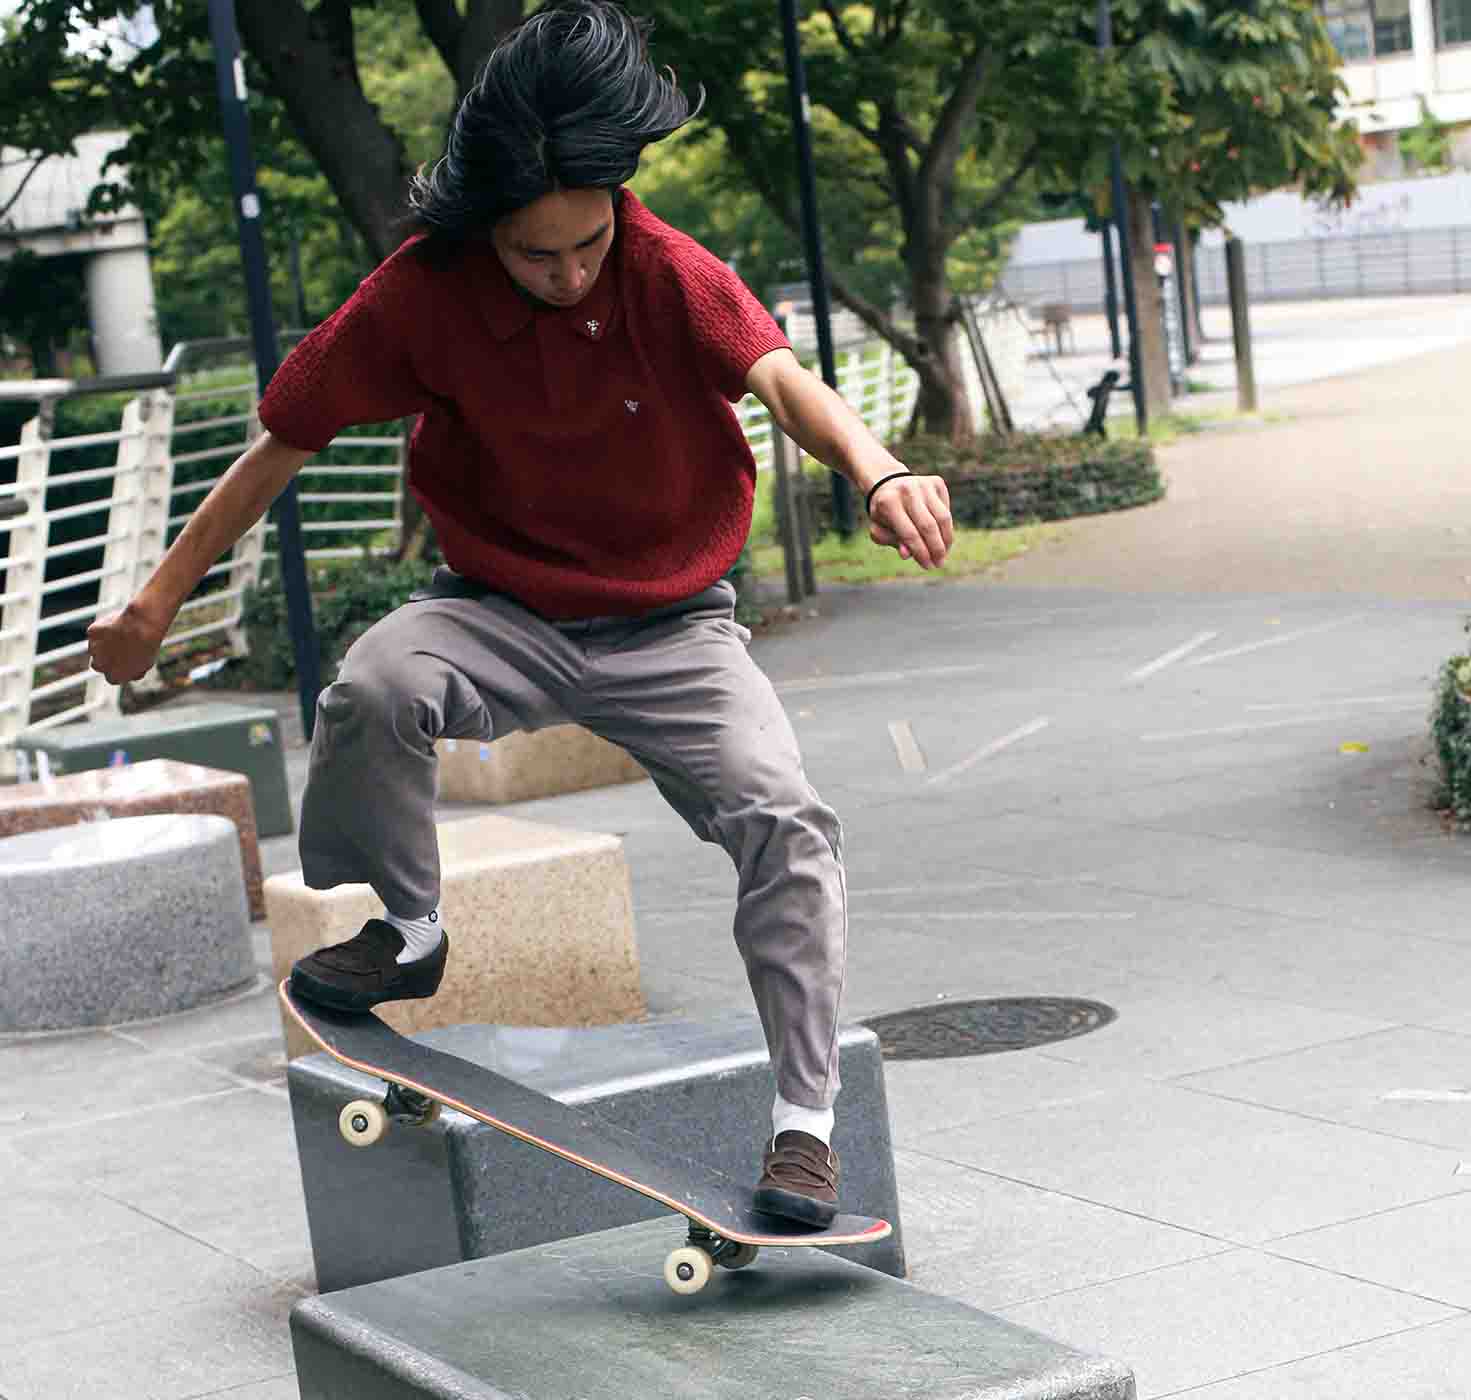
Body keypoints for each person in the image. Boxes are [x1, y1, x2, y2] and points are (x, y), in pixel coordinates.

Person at [87, 0, 953, 1227]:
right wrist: (154, 602)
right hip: (496, 610)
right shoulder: (418, 292)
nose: (566, 274)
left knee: (787, 821)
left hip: (674, 629)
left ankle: (804, 1126)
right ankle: (409, 928)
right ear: (485, 226)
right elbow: (281, 442)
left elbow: (784, 382)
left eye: (587, 245)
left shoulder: (668, 271)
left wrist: (881, 473)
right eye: (535, 255)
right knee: (377, 683)